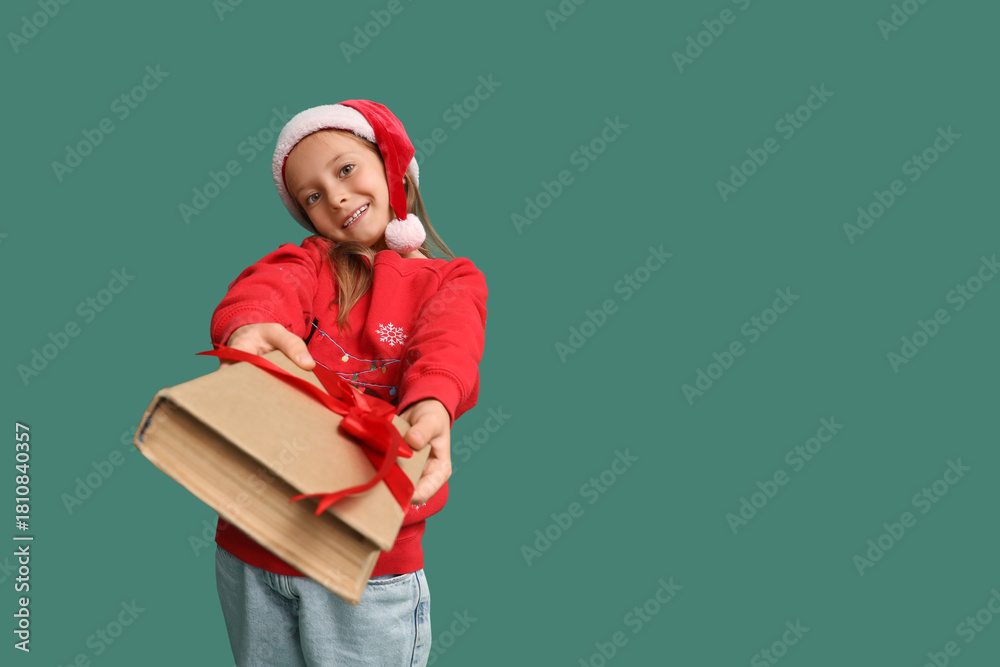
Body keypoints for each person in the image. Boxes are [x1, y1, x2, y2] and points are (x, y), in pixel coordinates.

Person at [209, 100, 488, 666]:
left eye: (344, 170)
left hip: (364, 567)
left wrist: (434, 400)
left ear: (392, 168)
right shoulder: (308, 263)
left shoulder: (448, 279)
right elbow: (265, 289)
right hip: (252, 548)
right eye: (312, 195)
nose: (334, 196)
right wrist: (249, 326)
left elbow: (448, 343)